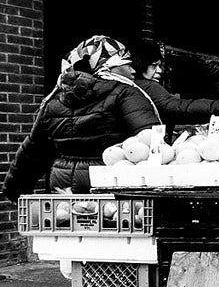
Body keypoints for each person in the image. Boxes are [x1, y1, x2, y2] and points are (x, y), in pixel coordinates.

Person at [2, 35, 161, 200]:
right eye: (126, 64)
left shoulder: (54, 99)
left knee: (68, 224)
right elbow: (149, 140)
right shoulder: (126, 93)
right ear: (107, 66)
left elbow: (33, 149)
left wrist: (14, 189)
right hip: (109, 187)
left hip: (64, 189)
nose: (133, 70)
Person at [131, 41, 219, 126]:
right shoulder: (148, 86)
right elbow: (183, 107)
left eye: (159, 66)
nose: (159, 71)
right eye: (154, 66)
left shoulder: (135, 85)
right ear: (141, 64)